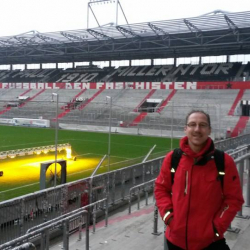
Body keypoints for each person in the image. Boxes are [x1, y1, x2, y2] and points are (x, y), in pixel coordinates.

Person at [154, 110, 244, 250]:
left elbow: (234, 199)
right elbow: (161, 189)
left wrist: (215, 228)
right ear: (186, 129)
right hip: (174, 241)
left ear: (209, 130)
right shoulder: (172, 159)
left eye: (202, 125)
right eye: (192, 124)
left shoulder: (224, 161)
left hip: (210, 242)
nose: (197, 129)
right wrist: (168, 217)